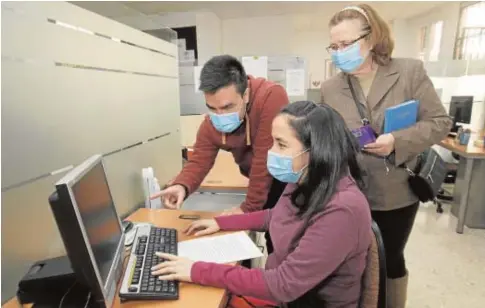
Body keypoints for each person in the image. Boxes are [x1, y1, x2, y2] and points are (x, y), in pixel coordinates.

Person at [150, 101, 372, 308]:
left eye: (281, 144)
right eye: (272, 141)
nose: (271, 152)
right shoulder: (307, 178)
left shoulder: (342, 211)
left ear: (316, 152)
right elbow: (275, 216)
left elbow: (282, 284)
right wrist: (222, 222)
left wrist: (196, 270)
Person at [321, 4, 452, 308]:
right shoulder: (331, 87)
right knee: (354, 261)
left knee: (390, 257)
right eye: (334, 46)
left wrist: (397, 140)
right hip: (349, 192)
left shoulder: (408, 72)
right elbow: (328, 136)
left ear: (371, 38)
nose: (339, 52)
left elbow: (440, 122)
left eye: (346, 44)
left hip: (396, 191)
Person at [151, 55, 289, 253]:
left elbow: (263, 159)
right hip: (262, 182)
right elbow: (199, 159)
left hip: (288, 180)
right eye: (212, 108)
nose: (220, 115)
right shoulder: (213, 122)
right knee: (274, 242)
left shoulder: (270, 96)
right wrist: (181, 185)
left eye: (227, 107)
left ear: (246, 95)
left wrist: (246, 209)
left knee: (287, 240)